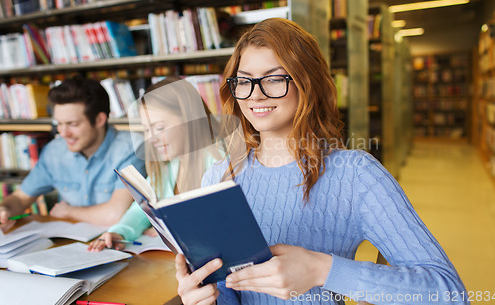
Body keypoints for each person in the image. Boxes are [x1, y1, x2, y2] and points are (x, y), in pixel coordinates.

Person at [175, 18, 468, 305]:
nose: (256, 94)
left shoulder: (355, 175)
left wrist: (321, 270)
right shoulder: (218, 178)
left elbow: (449, 293)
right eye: (245, 80)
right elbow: (228, 290)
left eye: (274, 78)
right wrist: (203, 298)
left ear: (308, 82)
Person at [88, 77, 222, 251]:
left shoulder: (220, 161)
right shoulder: (166, 167)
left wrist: (169, 227)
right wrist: (120, 233)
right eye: (146, 130)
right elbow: (142, 209)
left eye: (159, 128)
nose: (151, 139)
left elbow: (218, 220)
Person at [0, 76, 146, 231]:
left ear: (99, 120)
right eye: (59, 124)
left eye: (72, 124)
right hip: (72, 241)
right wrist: (5, 210)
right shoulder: (54, 151)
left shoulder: (132, 149)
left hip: (119, 241)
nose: (63, 133)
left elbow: (115, 215)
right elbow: (20, 199)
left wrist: (68, 211)